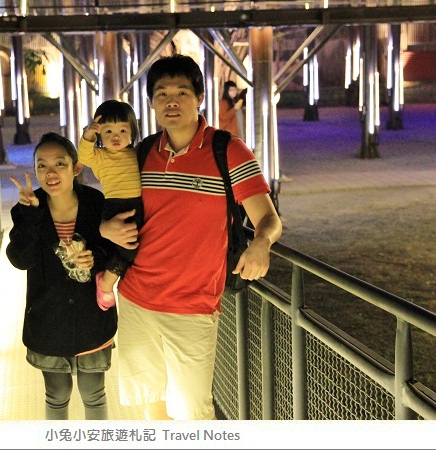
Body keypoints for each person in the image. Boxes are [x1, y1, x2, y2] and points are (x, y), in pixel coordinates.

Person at [100, 54, 283, 420]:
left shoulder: (227, 151)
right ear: (151, 103)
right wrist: (105, 229)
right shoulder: (142, 153)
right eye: (162, 94)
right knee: (153, 405)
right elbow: (113, 211)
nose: (172, 102)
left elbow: (268, 219)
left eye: (182, 92)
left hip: (193, 305)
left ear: (199, 97)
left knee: (194, 414)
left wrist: (261, 243)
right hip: (136, 297)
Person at [6, 132, 118, 420]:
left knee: (93, 392)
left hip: (92, 316)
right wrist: (31, 216)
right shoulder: (27, 208)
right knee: (57, 394)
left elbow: (112, 248)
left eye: (59, 164)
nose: (50, 173)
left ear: (76, 167)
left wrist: (95, 258)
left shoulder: (95, 203)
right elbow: (20, 260)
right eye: (42, 165)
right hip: (48, 318)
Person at [78, 100, 141, 310]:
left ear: (132, 131)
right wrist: (89, 135)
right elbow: (84, 155)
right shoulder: (101, 157)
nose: (116, 136)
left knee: (134, 247)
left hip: (137, 205)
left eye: (122, 130)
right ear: (100, 134)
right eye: (108, 131)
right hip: (115, 207)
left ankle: (111, 278)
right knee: (129, 249)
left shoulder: (136, 153)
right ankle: (106, 283)